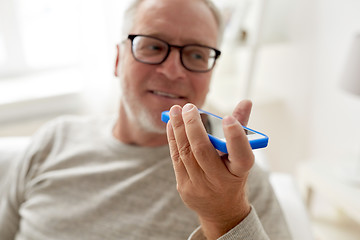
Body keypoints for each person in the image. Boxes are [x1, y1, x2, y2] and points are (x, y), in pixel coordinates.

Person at [0, 0, 292, 239]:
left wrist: (225, 216)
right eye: (153, 47)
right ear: (117, 60)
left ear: (211, 74)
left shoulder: (238, 184)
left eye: (195, 55)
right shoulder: (53, 140)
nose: (174, 71)